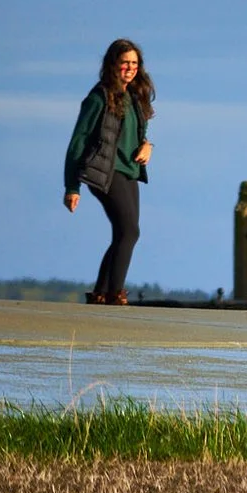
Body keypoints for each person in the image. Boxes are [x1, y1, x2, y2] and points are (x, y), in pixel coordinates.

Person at [63, 38, 154, 305]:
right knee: (130, 231)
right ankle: (115, 292)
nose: (130, 68)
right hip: (104, 170)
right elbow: (77, 141)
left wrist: (147, 146)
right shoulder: (98, 97)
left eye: (134, 63)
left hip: (128, 170)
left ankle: (101, 292)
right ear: (112, 64)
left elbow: (141, 134)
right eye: (124, 62)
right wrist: (72, 187)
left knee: (123, 232)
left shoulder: (135, 96)